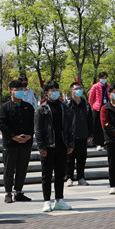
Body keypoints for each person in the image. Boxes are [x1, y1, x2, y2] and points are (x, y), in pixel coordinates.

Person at [35, 81, 75, 212]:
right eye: (52, 90)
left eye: (56, 89)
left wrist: (70, 143)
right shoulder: (42, 109)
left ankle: (59, 200)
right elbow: (38, 130)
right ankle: (47, 201)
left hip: (62, 145)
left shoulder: (64, 107)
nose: (55, 92)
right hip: (48, 146)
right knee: (46, 175)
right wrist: (41, 147)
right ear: (46, 93)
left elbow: (69, 127)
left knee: (60, 174)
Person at [0, 80, 35, 203]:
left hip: (26, 143)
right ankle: (8, 193)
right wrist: (13, 137)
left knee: (22, 168)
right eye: (16, 90)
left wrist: (29, 135)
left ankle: (18, 192)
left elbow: (33, 123)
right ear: (11, 92)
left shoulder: (28, 107)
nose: (19, 92)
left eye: (21, 90)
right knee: (9, 168)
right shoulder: (5, 107)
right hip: (10, 143)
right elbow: (2, 124)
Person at [64, 81, 93, 187]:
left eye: (80, 88)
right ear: (71, 91)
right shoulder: (66, 104)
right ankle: (69, 177)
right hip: (70, 136)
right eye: (76, 89)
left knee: (82, 158)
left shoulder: (86, 103)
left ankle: (81, 177)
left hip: (83, 135)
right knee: (69, 159)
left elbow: (90, 120)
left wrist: (90, 133)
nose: (78, 90)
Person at [88, 71, 110, 149]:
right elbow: (90, 98)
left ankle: (105, 142)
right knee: (97, 126)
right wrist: (93, 106)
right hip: (97, 109)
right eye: (102, 78)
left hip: (106, 108)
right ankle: (98, 143)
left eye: (105, 78)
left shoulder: (108, 86)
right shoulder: (95, 86)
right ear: (99, 78)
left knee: (106, 125)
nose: (104, 79)